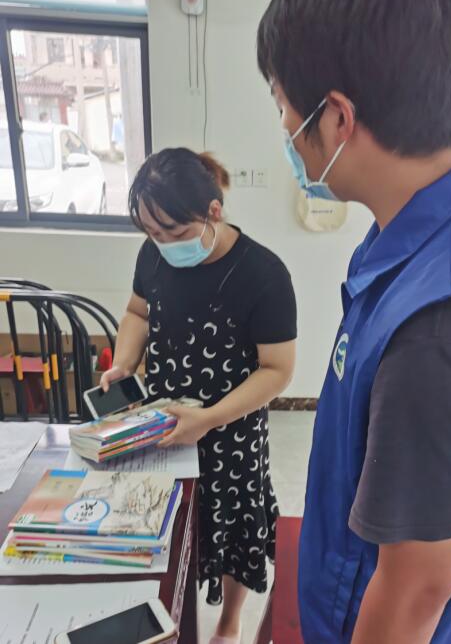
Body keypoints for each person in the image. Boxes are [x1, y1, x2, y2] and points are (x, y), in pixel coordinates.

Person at [257, 0, 451, 643]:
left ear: (336, 118)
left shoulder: (441, 328)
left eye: (282, 108)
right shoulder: (433, 226)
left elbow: (416, 589)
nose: (285, 132)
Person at [100, 147, 297, 643]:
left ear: (213, 211)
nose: (163, 244)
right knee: (170, 522)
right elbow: (137, 312)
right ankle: (172, 606)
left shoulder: (263, 274)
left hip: (231, 428)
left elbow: (277, 370)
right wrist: (124, 362)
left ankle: (229, 623)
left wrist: (209, 419)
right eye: (152, 233)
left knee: (234, 526)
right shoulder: (154, 254)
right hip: (164, 422)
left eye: (174, 232)